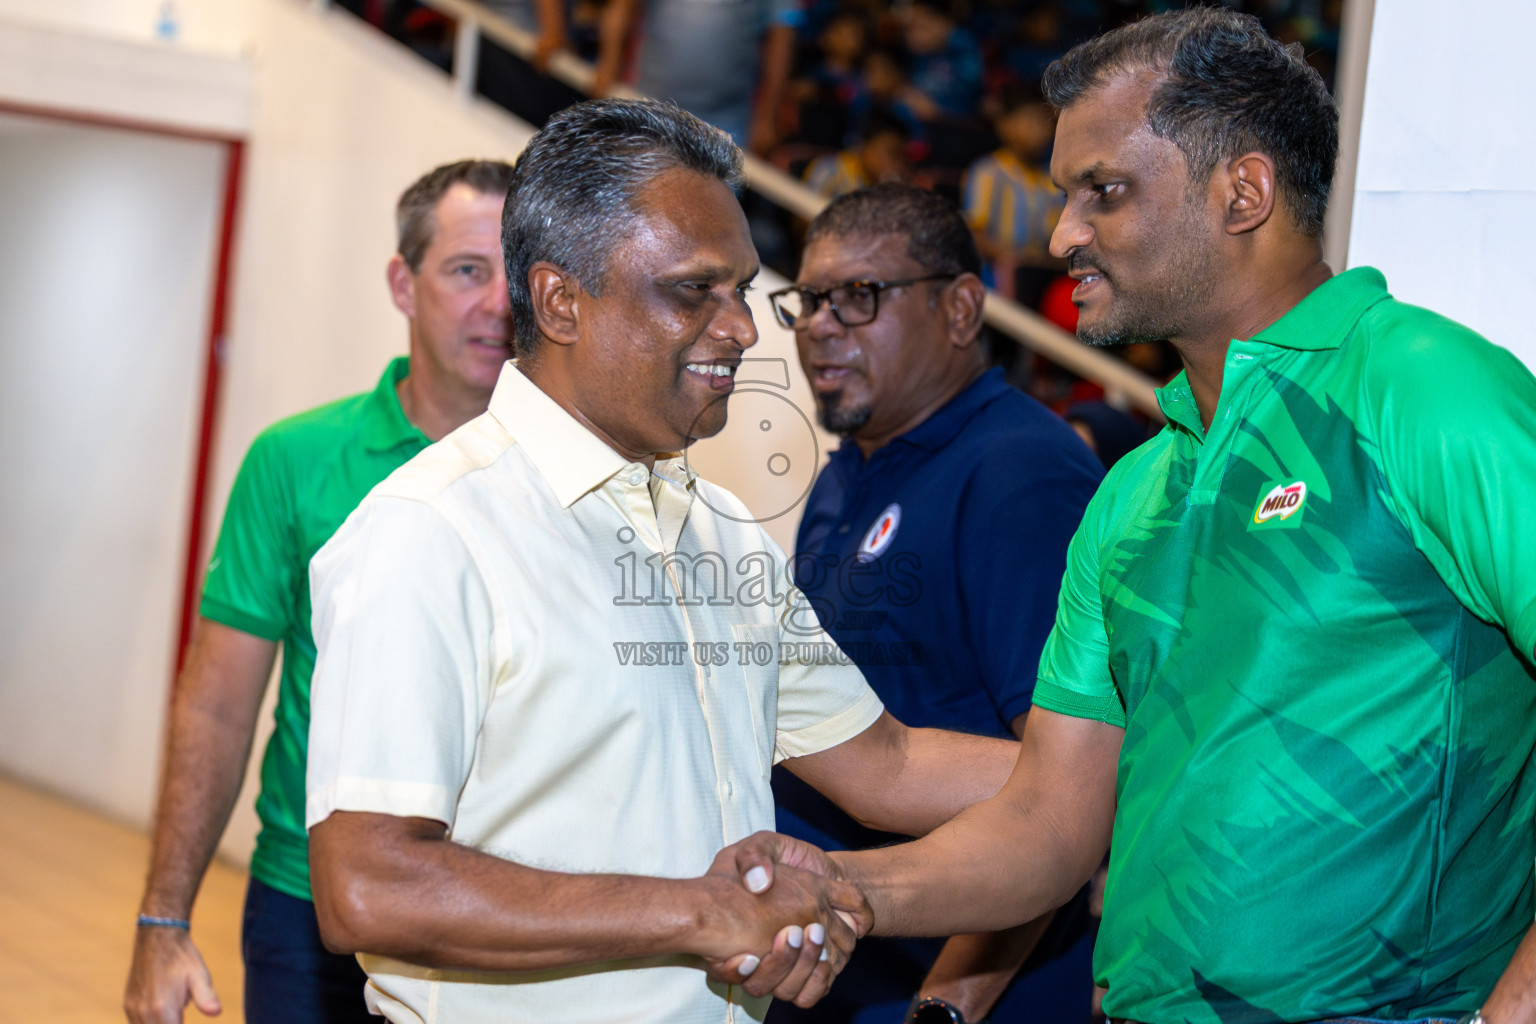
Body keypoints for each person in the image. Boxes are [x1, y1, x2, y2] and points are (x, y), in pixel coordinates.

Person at [730, 9, 1536, 1024]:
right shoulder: (1132, 493)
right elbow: (1044, 827)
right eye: (1068, 197)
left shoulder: (1425, 392)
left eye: (1102, 193)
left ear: (1242, 191)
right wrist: (846, 892)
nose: (1062, 234)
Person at [302, 99, 1020, 1024]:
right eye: (695, 290)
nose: (744, 330)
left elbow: (891, 765)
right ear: (562, 302)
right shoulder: (430, 532)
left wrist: (1136, 768)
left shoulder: (719, 531)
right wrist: (699, 913)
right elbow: (369, 884)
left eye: (742, 290)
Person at [122, 158, 516, 1024]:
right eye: (466, 270)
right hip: (307, 912)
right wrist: (162, 919)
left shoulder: (576, 480)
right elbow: (219, 706)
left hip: (503, 913)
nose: (499, 302)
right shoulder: (294, 460)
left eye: (517, 272)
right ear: (401, 284)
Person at [765, 183, 1103, 1024]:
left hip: (955, 995)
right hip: (838, 973)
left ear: (959, 309)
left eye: (859, 297)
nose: (820, 327)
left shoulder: (1020, 474)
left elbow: (1066, 796)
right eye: (808, 301)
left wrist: (946, 1005)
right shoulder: (850, 471)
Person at [590, 0, 799, 154]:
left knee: (710, 206)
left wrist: (767, 118)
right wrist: (608, 64)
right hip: (649, 106)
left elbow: (782, 34)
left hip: (727, 123)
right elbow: (623, 7)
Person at [963, 81, 1065, 307]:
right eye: (1029, 120)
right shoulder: (988, 171)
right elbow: (975, 234)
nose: (1040, 130)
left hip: (1041, 277)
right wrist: (1011, 258)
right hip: (996, 279)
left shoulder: (1054, 179)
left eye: (1044, 122)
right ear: (1004, 124)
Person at [802, 108, 911, 200]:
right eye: (891, 153)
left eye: (900, 156)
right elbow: (802, 219)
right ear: (864, 144)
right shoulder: (830, 170)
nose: (897, 164)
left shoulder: (881, 187)